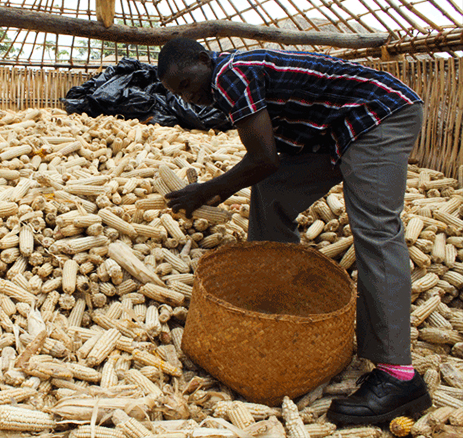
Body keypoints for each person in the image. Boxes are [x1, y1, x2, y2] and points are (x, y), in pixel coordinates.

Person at [157, 37, 431, 425]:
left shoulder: (230, 75)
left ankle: (398, 376)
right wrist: (217, 188)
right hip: (334, 132)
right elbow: (269, 166)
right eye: (179, 94)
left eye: (187, 84)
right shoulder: (229, 83)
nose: (190, 97)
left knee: (377, 232)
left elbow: (264, 159)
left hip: (377, 114)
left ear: (204, 59)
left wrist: (208, 190)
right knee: (273, 191)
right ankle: (275, 296)